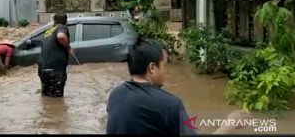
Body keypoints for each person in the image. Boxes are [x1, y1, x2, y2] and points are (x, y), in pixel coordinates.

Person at [106, 37, 249, 135]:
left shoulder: (115, 95)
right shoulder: (170, 104)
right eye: (164, 65)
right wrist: (228, 126)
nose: (165, 72)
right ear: (152, 67)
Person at [38, 12, 74, 98]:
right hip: (55, 69)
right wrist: (68, 47)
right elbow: (61, 36)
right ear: (65, 21)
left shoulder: (48, 31)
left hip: (42, 68)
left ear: (54, 20)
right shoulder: (61, 27)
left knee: (46, 96)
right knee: (56, 98)